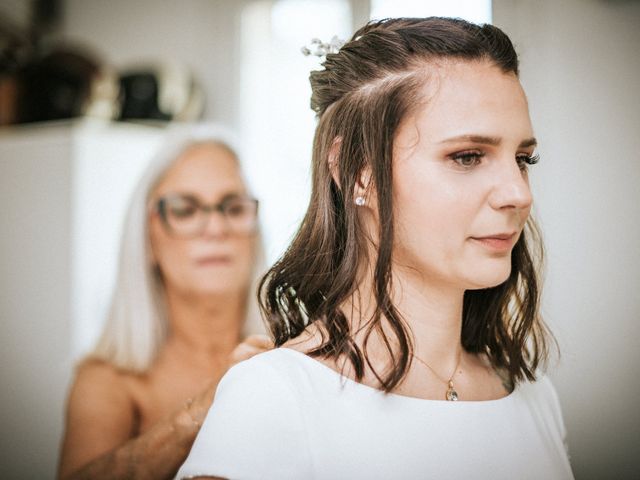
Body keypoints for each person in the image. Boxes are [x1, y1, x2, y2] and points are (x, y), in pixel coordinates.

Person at [176, 17, 574, 480]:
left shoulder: (532, 394)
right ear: (356, 171)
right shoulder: (272, 397)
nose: (519, 194)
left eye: (524, 160)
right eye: (466, 157)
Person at [57, 124, 272, 480]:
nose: (216, 228)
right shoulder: (108, 380)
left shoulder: (295, 350)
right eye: (185, 209)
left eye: (233, 207)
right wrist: (203, 408)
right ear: (147, 237)